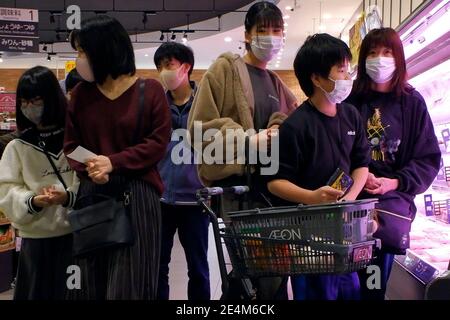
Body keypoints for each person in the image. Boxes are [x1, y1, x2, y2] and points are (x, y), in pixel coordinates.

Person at [187, 1, 297, 300]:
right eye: (262, 30)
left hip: (273, 193)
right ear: (247, 34)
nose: (270, 37)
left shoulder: (276, 83)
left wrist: (278, 132)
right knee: (251, 276)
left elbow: (291, 126)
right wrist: (248, 139)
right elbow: (198, 130)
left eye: (277, 30)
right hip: (238, 193)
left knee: (272, 275)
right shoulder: (225, 70)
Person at [64, 15, 171, 300]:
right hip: (93, 196)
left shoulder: (151, 91)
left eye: (82, 51)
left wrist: (114, 161)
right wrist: (92, 166)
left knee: (131, 283)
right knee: (89, 283)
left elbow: (158, 143)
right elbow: (71, 145)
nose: (79, 59)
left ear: (103, 48)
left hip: (137, 197)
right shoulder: (81, 95)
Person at [267, 33, 370, 300]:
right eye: (341, 70)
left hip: (345, 230)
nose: (348, 77)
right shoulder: (295, 126)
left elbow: (361, 163)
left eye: (349, 70)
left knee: (351, 292)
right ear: (316, 78)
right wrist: (313, 198)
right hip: (308, 237)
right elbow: (275, 181)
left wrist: (349, 199)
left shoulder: (351, 115)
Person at [347, 27, 441, 300]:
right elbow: (337, 150)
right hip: (352, 204)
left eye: (387, 52)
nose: (380, 59)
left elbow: (428, 157)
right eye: (373, 53)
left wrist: (395, 182)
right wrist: (360, 177)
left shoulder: (412, 103)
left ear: (398, 58)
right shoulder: (351, 102)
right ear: (363, 60)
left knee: (375, 283)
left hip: (391, 210)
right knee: (348, 283)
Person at [0, 66, 78, 299]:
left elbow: (90, 175)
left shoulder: (75, 140)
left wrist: (69, 196)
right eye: (24, 101)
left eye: (36, 100)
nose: (29, 107)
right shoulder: (18, 147)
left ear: (51, 99)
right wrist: (32, 200)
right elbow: (6, 189)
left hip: (74, 238)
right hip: (35, 243)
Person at [153, 42, 210, 300]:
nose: (163, 71)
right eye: (160, 66)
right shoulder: (156, 105)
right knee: (157, 267)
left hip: (196, 200)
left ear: (185, 67)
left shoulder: (206, 104)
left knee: (198, 268)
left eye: (169, 65)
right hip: (162, 199)